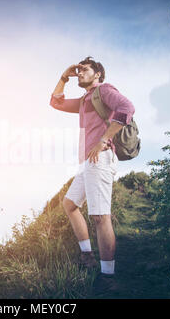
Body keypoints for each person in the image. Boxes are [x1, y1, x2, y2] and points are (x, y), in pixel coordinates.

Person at [49, 56, 135, 293]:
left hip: (101, 159)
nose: (80, 73)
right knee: (69, 204)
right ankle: (87, 256)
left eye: (84, 70)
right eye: (78, 71)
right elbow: (55, 103)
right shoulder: (85, 99)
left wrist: (104, 139)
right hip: (88, 162)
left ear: (97, 74)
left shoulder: (104, 90)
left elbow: (127, 108)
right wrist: (64, 77)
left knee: (100, 216)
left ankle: (108, 277)